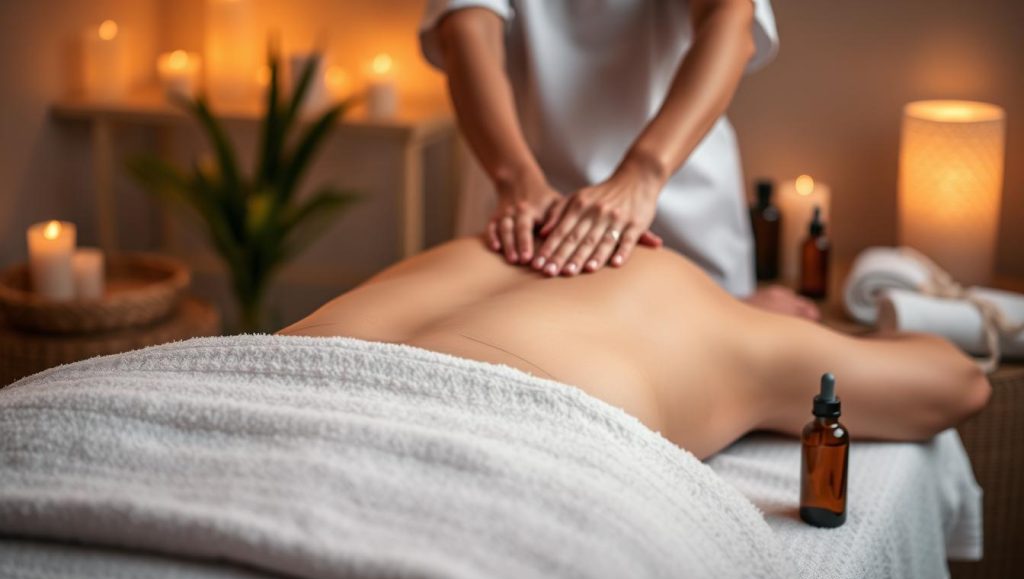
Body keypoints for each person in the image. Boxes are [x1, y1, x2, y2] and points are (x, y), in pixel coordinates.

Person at [279, 237, 990, 460]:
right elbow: (959, 384)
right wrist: (840, 333)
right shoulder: (719, 321)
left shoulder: (468, 248)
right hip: (482, 428)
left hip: (255, 379)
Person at [419, 0, 818, 318]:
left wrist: (642, 174)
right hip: (525, 214)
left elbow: (730, 18)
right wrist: (516, 179)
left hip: (675, 200)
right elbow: (467, 29)